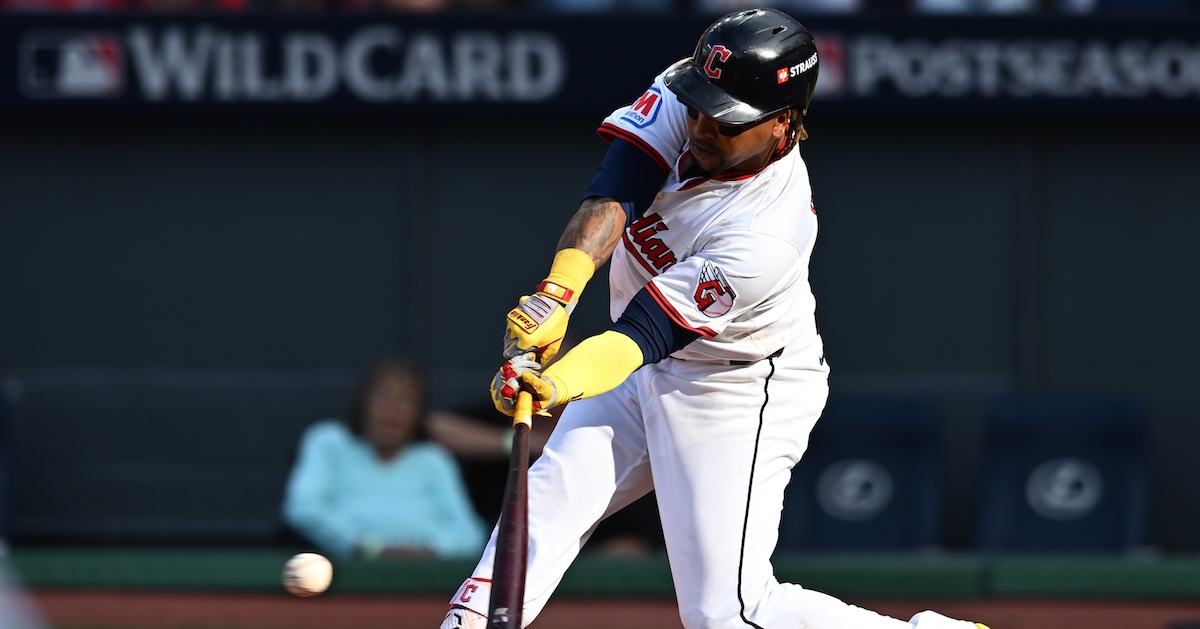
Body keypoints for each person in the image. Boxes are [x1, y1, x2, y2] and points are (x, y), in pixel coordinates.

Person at [440, 9, 989, 629]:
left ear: (783, 125)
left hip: (732, 386)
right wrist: (558, 294)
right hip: (633, 370)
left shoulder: (766, 234)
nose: (701, 125)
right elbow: (617, 188)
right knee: (542, 508)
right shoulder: (687, 93)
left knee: (728, 613)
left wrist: (555, 384)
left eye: (724, 121)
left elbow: (641, 336)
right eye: (699, 106)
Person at [282, 356, 487, 559]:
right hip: (341, 575)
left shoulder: (434, 459)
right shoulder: (327, 442)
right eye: (384, 397)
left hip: (423, 579)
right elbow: (304, 509)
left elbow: (469, 533)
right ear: (363, 402)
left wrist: (430, 550)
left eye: (406, 401)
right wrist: (368, 547)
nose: (394, 410)